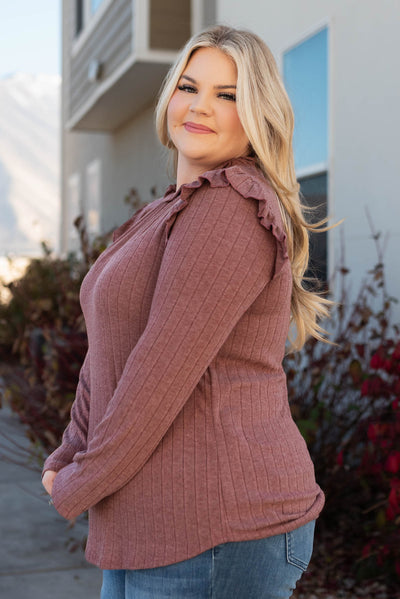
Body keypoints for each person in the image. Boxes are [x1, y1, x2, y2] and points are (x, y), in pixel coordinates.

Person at [42, 24, 331, 599]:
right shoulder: (167, 211)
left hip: (219, 528)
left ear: (257, 115)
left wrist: (81, 479)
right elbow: (111, 351)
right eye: (188, 86)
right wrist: (71, 449)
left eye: (228, 95)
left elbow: (156, 376)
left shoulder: (229, 207)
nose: (200, 107)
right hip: (149, 520)